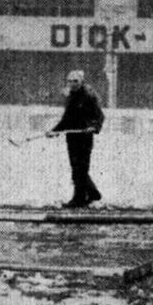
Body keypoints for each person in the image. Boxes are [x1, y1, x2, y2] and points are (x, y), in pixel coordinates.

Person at [48, 69, 105, 208]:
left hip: (84, 137)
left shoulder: (89, 96)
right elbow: (67, 119)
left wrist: (93, 127)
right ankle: (92, 194)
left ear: (82, 82)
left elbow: (99, 116)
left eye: (75, 81)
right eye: (70, 81)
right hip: (72, 136)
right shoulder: (72, 97)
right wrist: (54, 131)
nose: (72, 84)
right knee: (77, 168)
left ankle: (79, 199)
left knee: (80, 169)